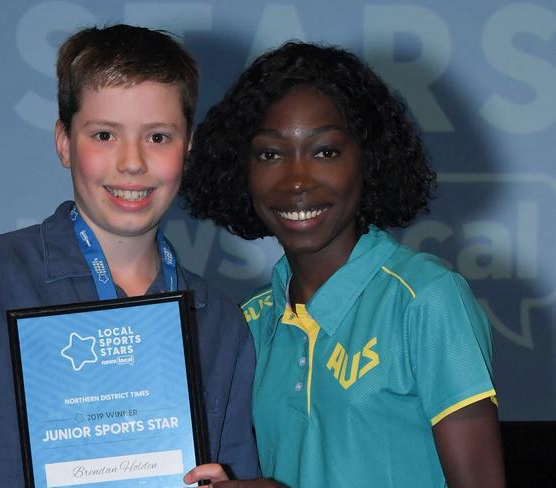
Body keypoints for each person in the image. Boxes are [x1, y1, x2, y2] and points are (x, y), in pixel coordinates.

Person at [0, 24, 259, 487]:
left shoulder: (218, 321)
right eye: (105, 135)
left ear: (188, 148)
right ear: (64, 142)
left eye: (157, 137)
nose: (132, 162)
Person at [182, 42, 505, 487]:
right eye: (270, 154)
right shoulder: (251, 323)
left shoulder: (425, 299)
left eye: (325, 152)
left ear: (368, 160)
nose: (296, 179)